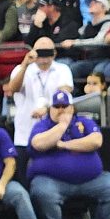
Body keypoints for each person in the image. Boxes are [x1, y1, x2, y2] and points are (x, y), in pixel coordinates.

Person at [27, 89, 110, 219]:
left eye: (64, 106)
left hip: (91, 179)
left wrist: (64, 145)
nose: (61, 110)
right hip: (53, 181)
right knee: (42, 192)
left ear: (72, 108)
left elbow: (96, 141)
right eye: (56, 106)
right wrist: (62, 125)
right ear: (50, 109)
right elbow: (39, 143)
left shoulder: (84, 122)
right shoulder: (42, 125)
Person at [7, 37, 74, 185]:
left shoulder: (63, 69)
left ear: (55, 53)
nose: (44, 58)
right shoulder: (22, 70)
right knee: (24, 178)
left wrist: (47, 108)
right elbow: (13, 89)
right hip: (25, 132)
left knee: (52, 177)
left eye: (48, 53)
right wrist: (25, 64)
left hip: (51, 133)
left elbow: (65, 92)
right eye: (40, 52)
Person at [57, 0, 110, 82]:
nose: (91, 4)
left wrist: (74, 42)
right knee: (72, 69)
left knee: (97, 73)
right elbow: (78, 36)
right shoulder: (87, 25)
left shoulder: (109, 23)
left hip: (105, 59)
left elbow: (99, 41)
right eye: (90, 3)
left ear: (104, 7)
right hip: (90, 59)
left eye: (95, 2)